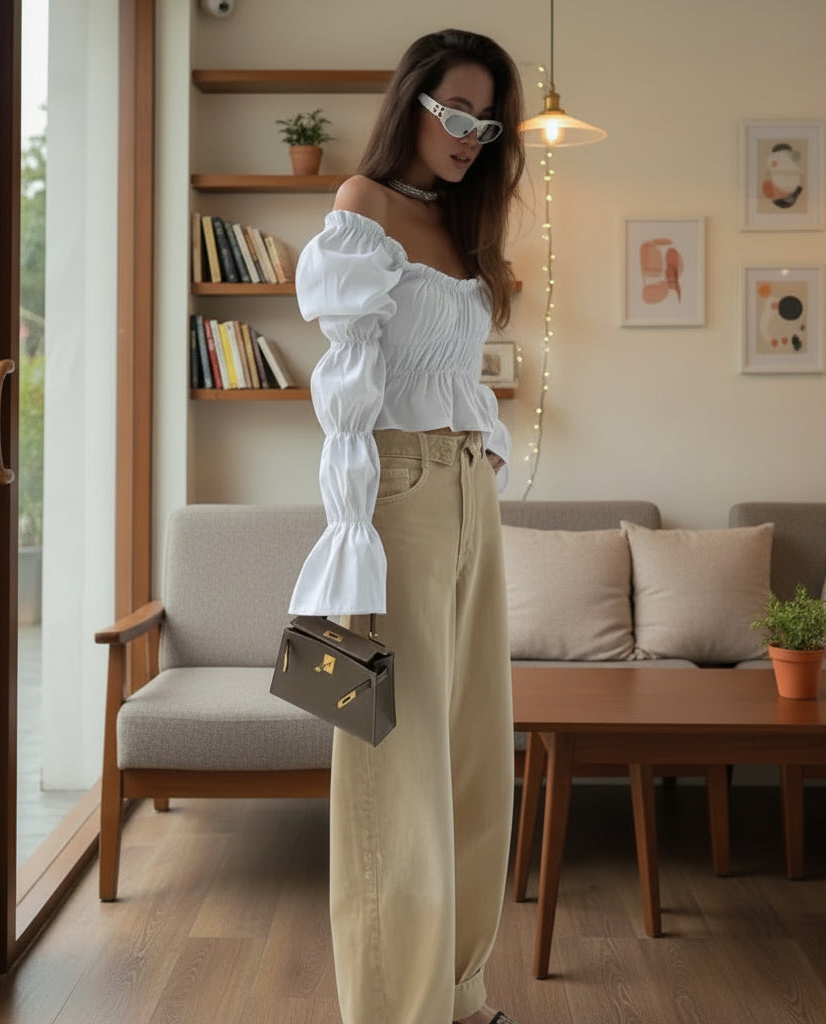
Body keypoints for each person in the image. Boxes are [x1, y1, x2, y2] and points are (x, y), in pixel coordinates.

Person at [287, 27, 525, 1024]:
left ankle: (458, 994)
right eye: (454, 111)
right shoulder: (363, 206)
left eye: (487, 122)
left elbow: (457, 375)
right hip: (393, 496)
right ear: (413, 103)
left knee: (476, 761)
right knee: (392, 767)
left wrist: (484, 457)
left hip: (468, 491)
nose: (470, 135)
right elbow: (346, 393)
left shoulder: (461, 225)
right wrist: (350, 536)